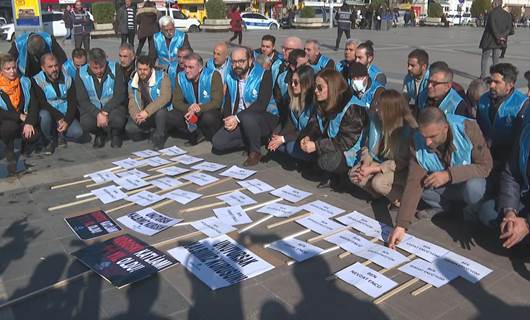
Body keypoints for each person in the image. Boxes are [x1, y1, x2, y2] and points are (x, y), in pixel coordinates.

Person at [387, 107, 492, 249]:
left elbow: (485, 167)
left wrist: (449, 175)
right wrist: (401, 225)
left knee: (474, 187)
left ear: (445, 128)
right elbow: (414, 184)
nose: (428, 143)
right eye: (425, 137)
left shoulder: (468, 128)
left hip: (468, 183)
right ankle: (445, 208)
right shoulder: (417, 140)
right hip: (448, 187)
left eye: (432, 136)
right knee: (422, 184)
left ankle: (471, 214)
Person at [468, 63, 529, 227]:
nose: (491, 86)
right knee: (471, 189)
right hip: (486, 162)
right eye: (490, 81)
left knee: (489, 214)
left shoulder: (522, 106)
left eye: (497, 82)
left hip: (509, 169)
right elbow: (478, 131)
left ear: (510, 85)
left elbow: (518, 154)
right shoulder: (483, 100)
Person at [299, 69, 368, 188]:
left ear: (332, 88)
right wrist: (308, 136)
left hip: (352, 154)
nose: (315, 91)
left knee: (326, 160)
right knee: (301, 147)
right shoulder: (326, 101)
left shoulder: (353, 108)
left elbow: (345, 141)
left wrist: (316, 145)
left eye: (320, 88)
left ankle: (344, 176)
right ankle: (331, 174)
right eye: (315, 87)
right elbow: (315, 122)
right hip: (335, 145)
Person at [350, 89, 417, 207]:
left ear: (390, 111)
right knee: (354, 175)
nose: (377, 110)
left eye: (380, 108)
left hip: (401, 170)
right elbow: (368, 147)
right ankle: (380, 195)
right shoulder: (376, 120)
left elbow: (401, 163)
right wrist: (366, 163)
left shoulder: (407, 130)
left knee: (378, 182)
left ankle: (400, 201)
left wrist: (373, 169)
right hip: (381, 163)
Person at [211, 47, 276, 166]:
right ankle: (252, 139)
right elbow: (228, 101)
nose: (237, 65)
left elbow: (261, 104)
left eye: (241, 61)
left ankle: (255, 151)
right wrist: (228, 119)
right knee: (217, 143)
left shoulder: (263, 74)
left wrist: (236, 118)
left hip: (265, 117)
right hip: (240, 118)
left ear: (250, 61)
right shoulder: (230, 76)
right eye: (234, 62)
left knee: (247, 117)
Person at [33, 54, 87, 154]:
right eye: (50, 67)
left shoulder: (68, 79)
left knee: (78, 132)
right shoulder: (37, 80)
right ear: (43, 68)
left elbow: (72, 102)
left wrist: (66, 121)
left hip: (65, 113)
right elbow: (43, 103)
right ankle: (48, 139)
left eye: (56, 65)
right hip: (49, 113)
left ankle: (60, 134)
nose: (54, 69)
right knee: (44, 116)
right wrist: (59, 117)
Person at [75, 48, 127, 148]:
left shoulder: (116, 68)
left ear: (105, 61)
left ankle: (116, 133)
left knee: (118, 119)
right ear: (89, 64)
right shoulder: (81, 73)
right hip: (93, 108)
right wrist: (97, 114)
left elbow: (119, 95)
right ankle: (100, 133)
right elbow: (82, 100)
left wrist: (104, 112)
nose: (99, 71)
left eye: (102, 67)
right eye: (95, 68)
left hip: (112, 107)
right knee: (86, 123)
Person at [170, 53, 224, 145]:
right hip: (190, 110)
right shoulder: (180, 77)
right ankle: (194, 132)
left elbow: (216, 102)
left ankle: (206, 133)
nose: (187, 70)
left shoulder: (213, 76)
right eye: (185, 67)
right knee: (169, 115)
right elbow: (176, 101)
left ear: (200, 68)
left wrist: (198, 109)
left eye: (191, 67)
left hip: (207, 110)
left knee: (209, 117)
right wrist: (190, 107)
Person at [0, 54, 39, 175]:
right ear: (1, 71)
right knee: (9, 127)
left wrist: (29, 122)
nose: (12, 71)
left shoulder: (24, 81)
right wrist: (19, 116)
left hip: (24, 118)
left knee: (33, 134)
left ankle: (25, 146)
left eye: (14, 67)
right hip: (5, 120)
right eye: (8, 69)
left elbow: (33, 104)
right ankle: (9, 149)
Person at [268, 65, 315, 161]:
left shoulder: (314, 104)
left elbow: (310, 130)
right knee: (276, 142)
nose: (292, 85)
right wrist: (276, 135)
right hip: (298, 135)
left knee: (289, 147)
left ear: (305, 83)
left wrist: (283, 138)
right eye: (292, 81)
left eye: (296, 82)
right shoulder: (292, 99)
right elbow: (289, 123)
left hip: (311, 138)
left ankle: (312, 162)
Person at [125, 55, 172, 150]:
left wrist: (147, 112)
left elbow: (165, 97)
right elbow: (132, 101)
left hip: (159, 111)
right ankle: (150, 131)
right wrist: (136, 115)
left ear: (151, 68)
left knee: (161, 113)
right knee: (130, 128)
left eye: (145, 69)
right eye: (139, 69)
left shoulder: (162, 77)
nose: (142, 72)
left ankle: (159, 136)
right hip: (143, 114)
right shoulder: (132, 82)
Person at [496, 122, 530, 248]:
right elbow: (511, 174)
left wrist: (527, 224)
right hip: (525, 199)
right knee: (488, 213)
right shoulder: (526, 131)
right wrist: (510, 212)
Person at [479, 0, 512, 79]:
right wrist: (502, 36)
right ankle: (495, 76)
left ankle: (483, 76)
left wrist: (497, 36)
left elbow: (492, 26)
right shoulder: (507, 14)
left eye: (493, 3)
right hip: (499, 41)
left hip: (489, 39)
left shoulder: (492, 13)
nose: (492, 4)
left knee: (485, 58)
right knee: (496, 60)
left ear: (496, 3)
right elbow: (509, 28)